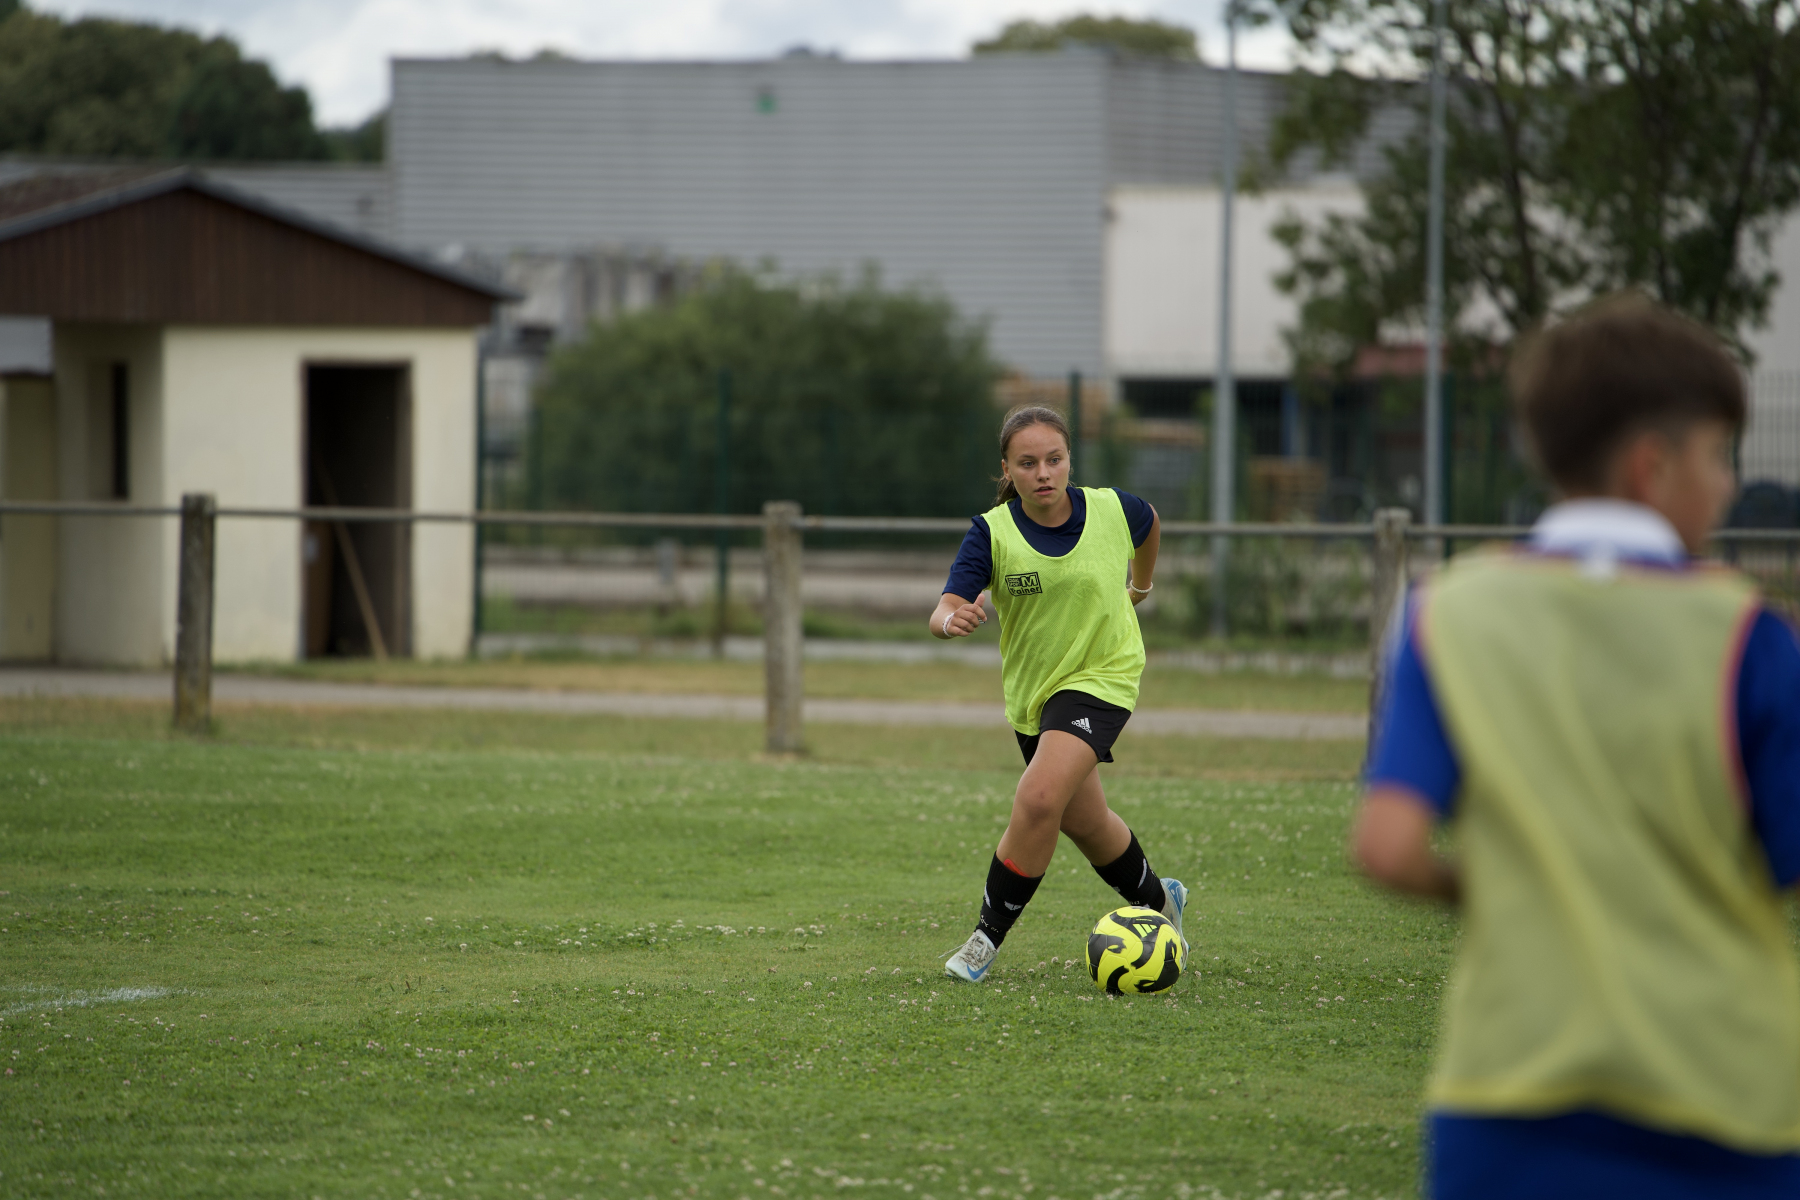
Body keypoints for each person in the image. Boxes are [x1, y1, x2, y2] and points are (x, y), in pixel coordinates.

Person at [1356, 294, 1800, 1199]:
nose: (1726, 485)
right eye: (1718, 455)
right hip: (1724, 1095)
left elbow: (1387, 847)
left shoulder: (1449, 614)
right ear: (1651, 465)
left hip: (1506, 1093)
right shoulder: (1747, 632)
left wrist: (1518, 886)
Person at [932, 404, 1187, 983]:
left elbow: (1149, 522)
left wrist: (1141, 585)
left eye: (1054, 459)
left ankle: (984, 940)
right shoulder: (991, 532)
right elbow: (944, 607)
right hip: (1034, 697)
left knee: (1040, 796)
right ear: (1007, 470)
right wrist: (951, 620)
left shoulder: (1112, 508)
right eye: (1028, 463)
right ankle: (1160, 900)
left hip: (1104, 676)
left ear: (1070, 459)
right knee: (1086, 822)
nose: (1043, 472)